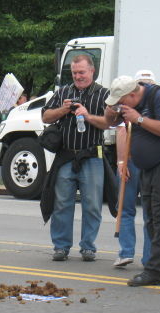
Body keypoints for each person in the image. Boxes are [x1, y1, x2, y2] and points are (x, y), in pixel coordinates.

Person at [104, 75, 160, 286]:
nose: (121, 106)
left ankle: (155, 271)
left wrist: (138, 118)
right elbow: (108, 122)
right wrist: (114, 109)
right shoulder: (132, 104)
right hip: (150, 168)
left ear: (133, 94)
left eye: (122, 101)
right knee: (152, 218)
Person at [41, 54, 110, 262]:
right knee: (62, 203)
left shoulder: (104, 94)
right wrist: (64, 108)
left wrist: (87, 115)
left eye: (81, 72)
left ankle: (88, 247)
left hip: (92, 155)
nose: (78, 76)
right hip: (66, 156)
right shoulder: (63, 92)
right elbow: (45, 116)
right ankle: (61, 246)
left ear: (92, 71)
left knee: (92, 204)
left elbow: (108, 123)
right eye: (74, 73)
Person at [113, 70, 155, 268]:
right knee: (128, 209)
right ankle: (127, 252)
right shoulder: (130, 108)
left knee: (147, 213)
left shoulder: (152, 105)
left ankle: (145, 256)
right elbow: (123, 131)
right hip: (132, 162)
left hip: (146, 163)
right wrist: (122, 162)